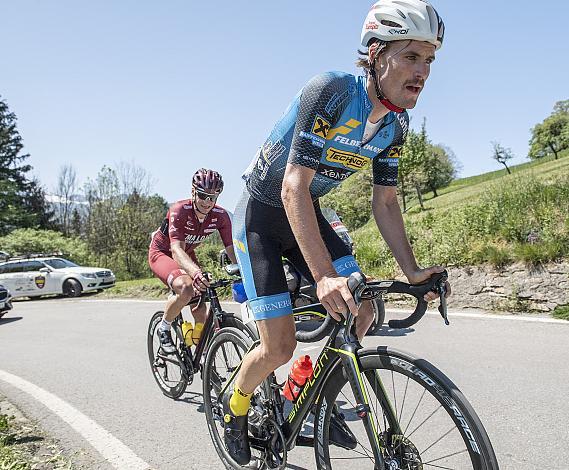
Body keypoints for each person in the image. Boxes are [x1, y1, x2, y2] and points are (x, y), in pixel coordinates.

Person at [226, 0, 449, 464]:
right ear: (375, 52)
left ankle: (300, 398)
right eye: (411, 56)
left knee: (364, 309)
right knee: (279, 345)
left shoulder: (396, 126)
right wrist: (324, 275)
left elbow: (385, 202)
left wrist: (411, 272)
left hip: (308, 214)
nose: (422, 70)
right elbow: (292, 188)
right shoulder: (330, 91)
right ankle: (235, 407)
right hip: (264, 216)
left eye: (429, 59)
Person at [149, 168, 236, 354]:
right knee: (187, 287)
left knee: (200, 304)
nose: (208, 202)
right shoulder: (179, 210)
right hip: (163, 253)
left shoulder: (220, 216)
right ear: (193, 192)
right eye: (203, 196)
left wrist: (244, 272)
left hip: (187, 255)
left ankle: (201, 351)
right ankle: (163, 327)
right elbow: (176, 250)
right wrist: (195, 273)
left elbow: (231, 250)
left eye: (213, 197)